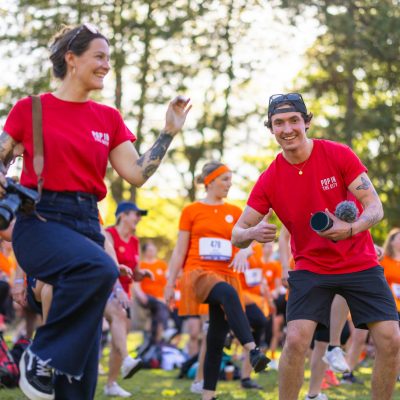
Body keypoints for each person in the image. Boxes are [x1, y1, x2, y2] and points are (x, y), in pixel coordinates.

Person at [0, 22, 191, 400]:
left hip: (87, 221)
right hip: (40, 219)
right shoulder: (31, 109)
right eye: (99, 56)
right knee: (100, 268)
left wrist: (168, 132)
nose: (106, 65)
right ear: (71, 59)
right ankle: (38, 353)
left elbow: (137, 174)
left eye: (109, 58)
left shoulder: (108, 118)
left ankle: (56, 368)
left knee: (84, 363)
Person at [231, 92, 400, 400]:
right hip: (311, 267)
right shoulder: (270, 179)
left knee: (390, 338)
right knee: (295, 340)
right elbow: (236, 233)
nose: (287, 129)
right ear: (271, 129)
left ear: (306, 122)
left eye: (294, 120)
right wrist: (253, 231)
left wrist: (351, 229)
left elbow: (374, 206)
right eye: (278, 123)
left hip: (359, 262)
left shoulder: (337, 154)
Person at [165, 161, 269, 400]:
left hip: (227, 274)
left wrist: (245, 249)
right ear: (210, 181)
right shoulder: (191, 211)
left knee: (216, 336)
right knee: (228, 295)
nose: (229, 184)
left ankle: (207, 395)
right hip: (198, 273)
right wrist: (170, 283)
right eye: (225, 179)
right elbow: (180, 250)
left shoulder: (234, 211)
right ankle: (252, 350)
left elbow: (250, 236)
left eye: (230, 180)